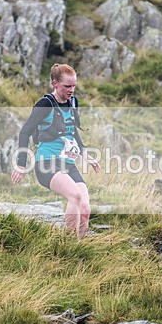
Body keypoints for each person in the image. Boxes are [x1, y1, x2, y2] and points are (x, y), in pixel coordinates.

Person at [11, 63, 100, 239]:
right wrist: (21, 165)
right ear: (55, 84)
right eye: (67, 86)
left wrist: (85, 154)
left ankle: (79, 246)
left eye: (74, 86)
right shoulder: (45, 104)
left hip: (67, 163)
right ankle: (67, 243)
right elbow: (25, 132)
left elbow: (72, 130)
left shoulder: (73, 102)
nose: (71, 90)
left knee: (85, 208)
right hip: (46, 163)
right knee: (75, 196)